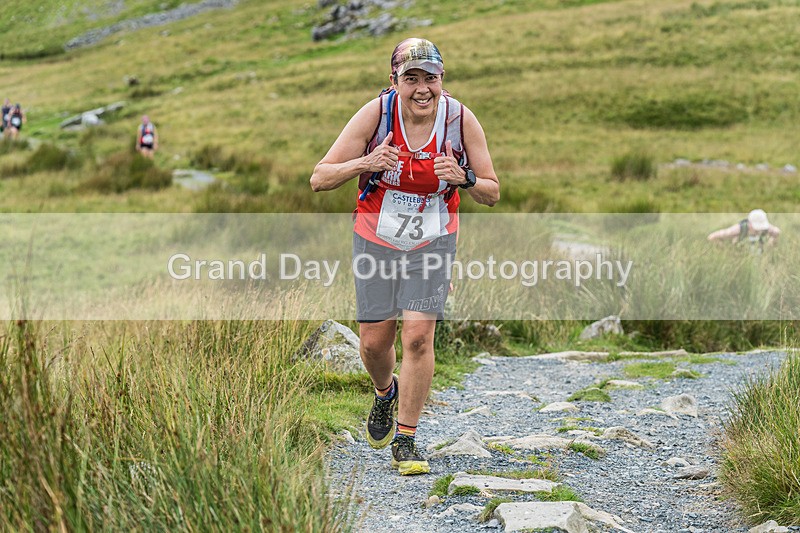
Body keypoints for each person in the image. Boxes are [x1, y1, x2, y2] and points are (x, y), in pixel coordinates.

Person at [310, 37, 499, 475]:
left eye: (429, 78)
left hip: (433, 239)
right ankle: (384, 393)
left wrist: (465, 177)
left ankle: (407, 439)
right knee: (374, 343)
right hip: (376, 237)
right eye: (410, 78)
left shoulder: (459, 120)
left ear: (441, 80)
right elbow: (319, 178)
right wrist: (367, 162)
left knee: (417, 337)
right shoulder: (376, 114)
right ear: (393, 80)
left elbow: (491, 191)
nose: (421, 89)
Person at [707, 209, 780, 252]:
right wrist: (727, 251)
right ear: (750, 223)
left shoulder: (766, 228)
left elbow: (777, 232)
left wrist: (770, 243)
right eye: (757, 227)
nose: (759, 230)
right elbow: (712, 237)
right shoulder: (738, 229)